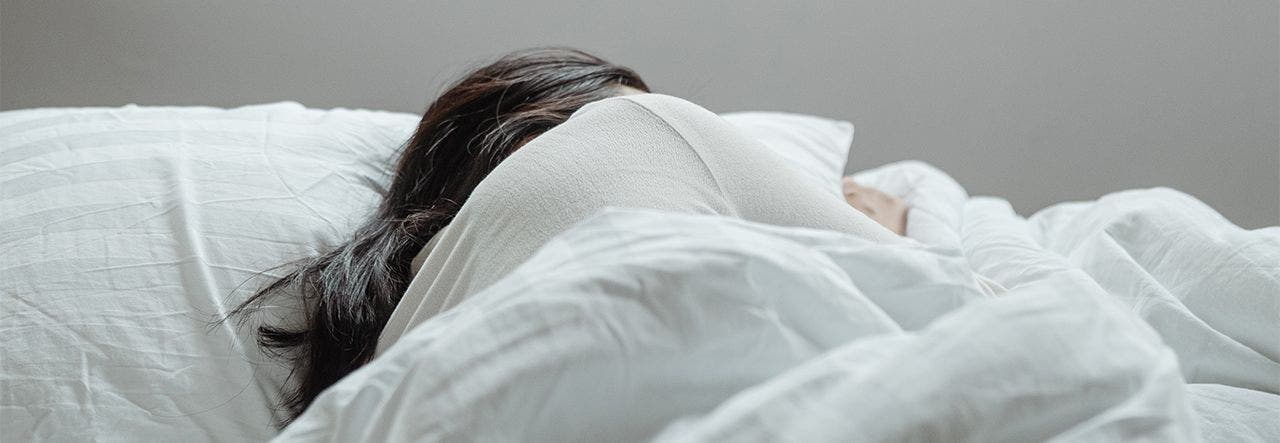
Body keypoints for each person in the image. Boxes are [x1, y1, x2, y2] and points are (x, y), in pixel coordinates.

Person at [233, 47, 911, 422]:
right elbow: (964, 308)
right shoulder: (645, 126)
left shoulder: (386, 351)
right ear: (574, 104)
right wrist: (880, 229)